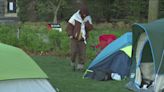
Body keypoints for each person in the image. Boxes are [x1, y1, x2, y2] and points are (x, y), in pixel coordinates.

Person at [66, 5, 93, 71]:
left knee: (82, 53)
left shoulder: (88, 18)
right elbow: (69, 27)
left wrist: (87, 24)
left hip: (83, 39)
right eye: (83, 14)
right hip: (74, 38)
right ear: (80, 13)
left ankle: (80, 67)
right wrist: (70, 34)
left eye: (85, 14)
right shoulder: (75, 17)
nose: (84, 15)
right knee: (73, 52)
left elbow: (90, 28)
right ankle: (72, 63)